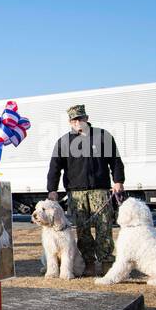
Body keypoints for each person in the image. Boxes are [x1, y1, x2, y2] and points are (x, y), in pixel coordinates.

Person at [46, 104, 125, 277]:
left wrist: (118, 181)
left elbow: (116, 161)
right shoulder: (64, 142)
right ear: (69, 122)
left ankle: (106, 264)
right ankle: (89, 263)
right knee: (83, 231)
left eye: (80, 118)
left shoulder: (103, 136)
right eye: (74, 119)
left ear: (87, 118)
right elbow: (54, 167)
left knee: (104, 227)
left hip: (100, 190)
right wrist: (52, 189)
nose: (77, 122)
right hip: (76, 194)